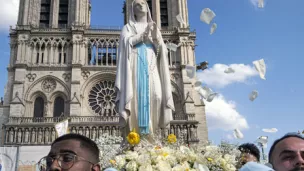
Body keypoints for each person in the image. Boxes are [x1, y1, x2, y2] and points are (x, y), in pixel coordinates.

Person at [115, 0, 174, 136]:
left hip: (151, 63)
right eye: (136, 4)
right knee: (135, 95)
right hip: (135, 62)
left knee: (157, 96)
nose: (140, 5)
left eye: (143, 3)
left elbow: (162, 52)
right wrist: (142, 36)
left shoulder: (155, 28)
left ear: (148, 7)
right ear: (131, 10)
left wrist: (155, 39)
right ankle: (136, 136)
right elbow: (125, 44)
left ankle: (152, 134)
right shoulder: (128, 27)